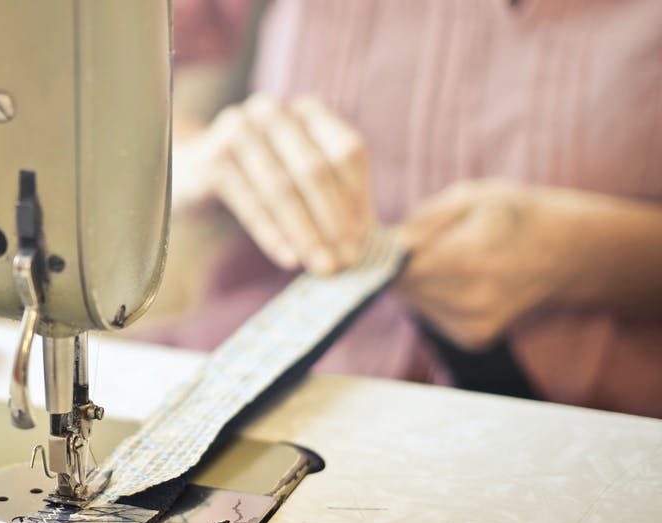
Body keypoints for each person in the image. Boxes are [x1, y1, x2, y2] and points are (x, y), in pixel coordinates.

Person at [151, 0, 662, 418]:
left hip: (595, 426)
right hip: (254, 383)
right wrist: (193, 157)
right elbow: (81, 81)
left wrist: (588, 254)